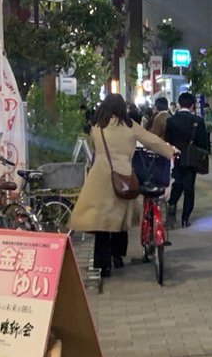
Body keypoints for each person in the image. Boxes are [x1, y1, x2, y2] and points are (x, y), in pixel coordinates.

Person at [69, 93, 178, 278]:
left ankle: (102, 266)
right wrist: (170, 151)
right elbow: (152, 141)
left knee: (102, 223)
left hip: (99, 176)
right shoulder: (129, 126)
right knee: (119, 219)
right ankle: (117, 257)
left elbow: (95, 149)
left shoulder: (97, 127)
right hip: (123, 175)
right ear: (122, 108)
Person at [164, 91, 210, 228]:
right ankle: (185, 218)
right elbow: (203, 143)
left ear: (179, 104)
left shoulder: (171, 121)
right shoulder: (198, 121)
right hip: (191, 159)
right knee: (189, 187)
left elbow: (168, 140)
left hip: (176, 157)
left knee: (177, 184)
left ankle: (172, 208)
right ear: (192, 106)